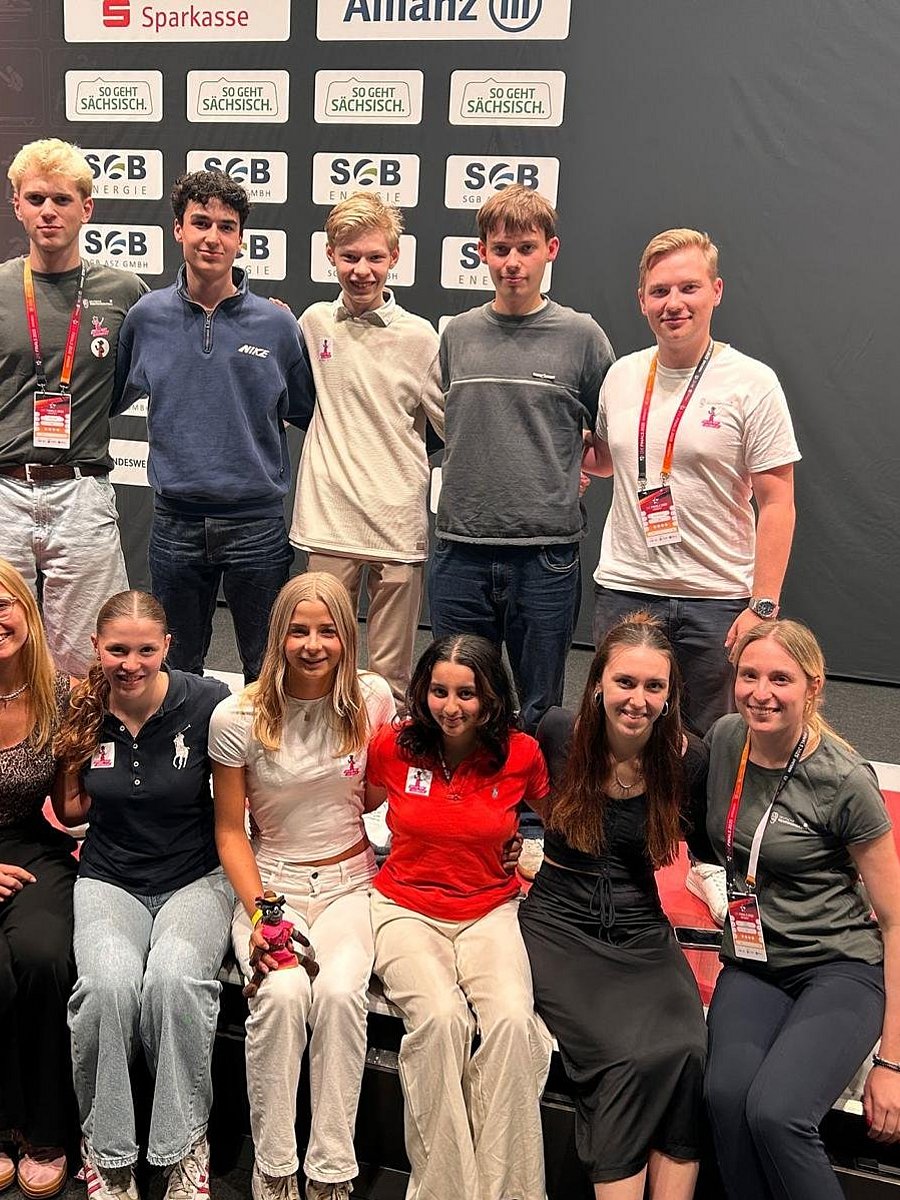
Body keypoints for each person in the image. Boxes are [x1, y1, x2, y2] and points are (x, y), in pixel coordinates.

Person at [588, 227, 801, 922]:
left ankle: (709, 862)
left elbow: (777, 499)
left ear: (715, 292)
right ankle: (607, 852)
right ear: (641, 300)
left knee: (711, 742)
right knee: (619, 726)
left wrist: (763, 604)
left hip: (715, 595)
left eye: (687, 288)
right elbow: (607, 461)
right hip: (627, 586)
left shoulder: (751, 382)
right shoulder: (623, 376)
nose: (673, 303)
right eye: (659, 291)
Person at [209, 572, 395, 1200]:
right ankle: (274, 1164)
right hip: (273, 884)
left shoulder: (372, 698)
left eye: (327, 631)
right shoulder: (237, 715)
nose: (313, 645)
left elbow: (374, 795)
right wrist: (264, 914)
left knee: (341, 995)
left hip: (350, 882)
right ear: (277, 636)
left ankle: (331, 1169)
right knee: (284, 993)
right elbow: (230, 831)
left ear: (347, 636)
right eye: (298, 631)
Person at [703, 620, 900, 1199]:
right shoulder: (726, 739)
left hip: (839, 965)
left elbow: (895, 920)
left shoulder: (844, 780)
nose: (761, 693)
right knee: (724, 1098)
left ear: (813, 687)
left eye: (780, 679)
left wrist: (893, 1063)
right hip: (755, 960)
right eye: (749, 675)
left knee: (777, 1112)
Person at [519, 613, 709, 1199]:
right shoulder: (558, 732)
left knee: (688, 1048)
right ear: (598, 682)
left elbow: (712, 845)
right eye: (626, 682)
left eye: (654, 686)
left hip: (640, 926)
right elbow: (515, 798)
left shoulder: (687, 759)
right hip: (559, 925)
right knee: (622, 1057)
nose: (638, 700)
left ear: (670, 695)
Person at [54, 590, 233, 1200]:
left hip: (194, 876)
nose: (130, 664)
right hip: (109, 877)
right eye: (117, 650)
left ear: (167, 647)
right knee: (106, 987)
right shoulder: (81, 705)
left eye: (145, 650)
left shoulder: (206, 701)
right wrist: (72, 747)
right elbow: (70, 811)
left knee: (175, 981)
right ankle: (107, 1152)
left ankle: (183, 1148)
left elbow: (240, 801)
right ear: (96, 648)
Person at [367, 634, 553, 1200]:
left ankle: (510, 1193)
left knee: (514, 1024)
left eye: (466, 694)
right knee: (441, 1018)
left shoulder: (521, 753)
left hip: (490, 909)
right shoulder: (393, 745)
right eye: (439, 691)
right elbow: (356, 803)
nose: (451, 707)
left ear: (491, 698)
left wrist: (529, 853)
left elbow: (561, 819)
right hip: (404, 908)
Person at [113, 169, 315, 682]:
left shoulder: (277, 325)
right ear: (178, 229)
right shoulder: (146, 318)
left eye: (226, 227)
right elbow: (105, 400)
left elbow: (309, 412)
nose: (213, 237)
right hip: (175, 524)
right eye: (201, 222)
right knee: (175, 670)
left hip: (257, 525)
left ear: (241, 239)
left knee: (267, 671)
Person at [429, 184, 615, 736]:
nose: (513, 262)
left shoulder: (582, 337)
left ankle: (530, 792)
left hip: (545, 556)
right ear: (481, 252)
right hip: (460, 549)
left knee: (539, 706)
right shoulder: (457, 333)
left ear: (550, 250)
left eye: (526, 248)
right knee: (461, 700)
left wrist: (569, 468)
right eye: (501, 249)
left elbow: (610, 441)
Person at [289, 192, 444, 706]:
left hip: (397, 523)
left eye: (375, 257)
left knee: (389, 681)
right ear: (330, 255)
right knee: (316, 665)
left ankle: (380, 759)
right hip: (329, 519)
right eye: (350, 256)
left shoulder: (421, 337)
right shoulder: (313, 322)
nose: (362, 270)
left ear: (394, 257)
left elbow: (451, 424)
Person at [1, 138, 146, 675]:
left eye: (62, 199)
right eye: (36, 198)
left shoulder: (125, 291)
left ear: (87, 208)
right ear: (17, 205)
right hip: (4, 490)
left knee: (88, 657)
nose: (48, 211)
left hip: (81, 492)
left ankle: (75, 737)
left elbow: (150, 368)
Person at [0, 558, 78, 1198]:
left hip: (31, 845)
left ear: (26, 608)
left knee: (44, 956)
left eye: (1, 604)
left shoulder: (60, 695)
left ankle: (47, 1127)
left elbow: (70, 808)